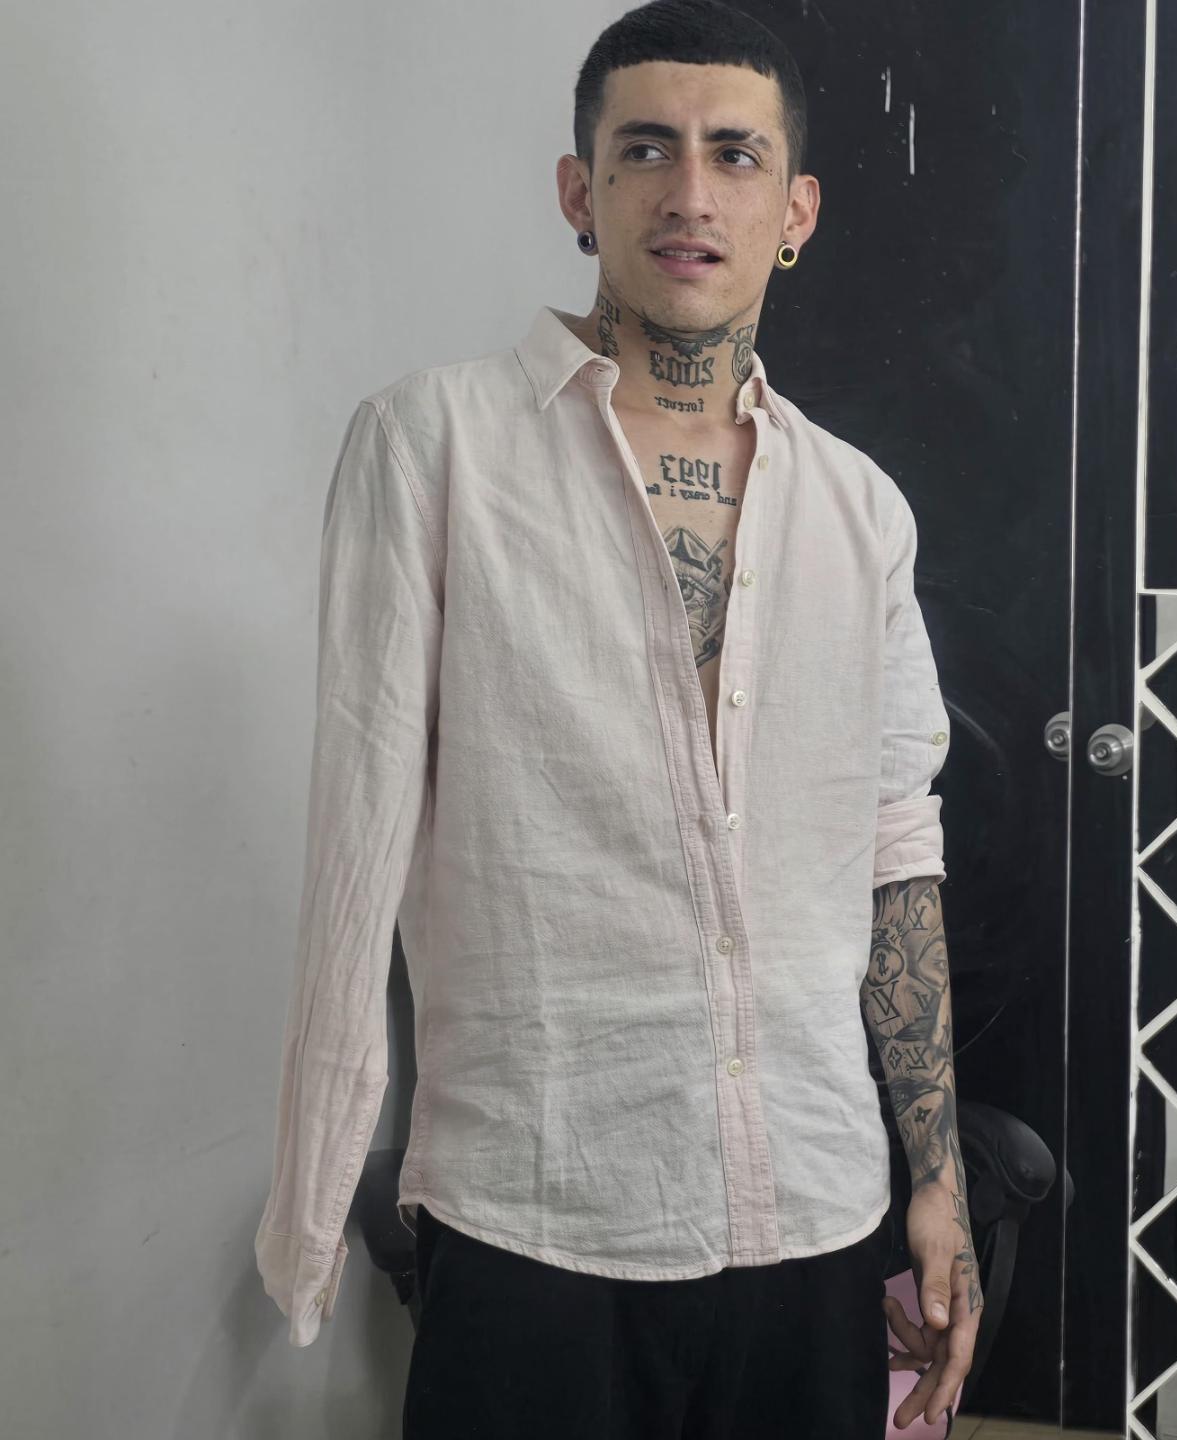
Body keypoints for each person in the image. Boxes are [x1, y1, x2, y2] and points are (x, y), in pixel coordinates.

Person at [253, 1, 982, 1433]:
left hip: (813, 1199)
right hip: (537, 1207)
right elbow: (359, 833)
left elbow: (897, 848)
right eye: (646, 149)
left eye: (735, 155)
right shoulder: (434, 448)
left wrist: (936, 1177)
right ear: (579, 192)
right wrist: (318, 1189)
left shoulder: (861, 508)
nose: (691, 194)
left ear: (795, 211)